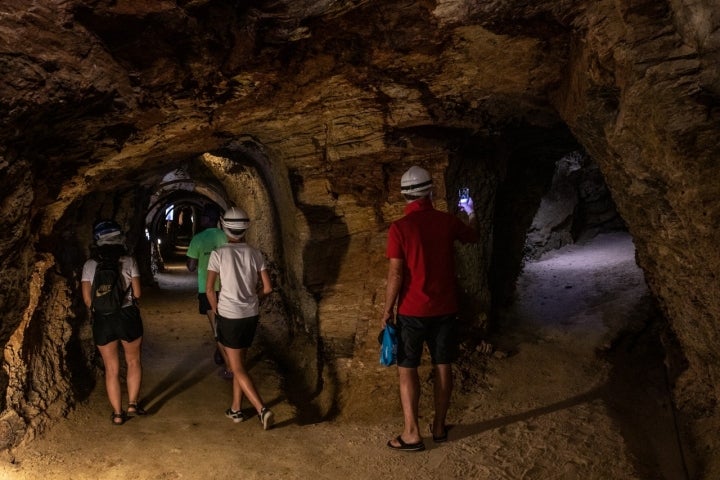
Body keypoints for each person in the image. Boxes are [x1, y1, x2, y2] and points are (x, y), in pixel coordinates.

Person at [380, 166, 479, 452]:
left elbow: (396, 274)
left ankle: (412, 433)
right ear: (430, 191)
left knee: (407, 368)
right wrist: (470, 211)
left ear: (404, 196)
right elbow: (473, 235)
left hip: (412, 311)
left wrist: (387, 309)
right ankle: (438, 427)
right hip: (445, 308)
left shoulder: (400, 228)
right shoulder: (447, 222)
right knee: (442, 365)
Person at [206, 207, 275, 430]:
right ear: (246, 228)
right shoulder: (255, 253)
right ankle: (236, 409)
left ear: (223, 227)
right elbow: (268, 287)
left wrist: (217, 311)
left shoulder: (218, 254)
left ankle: (261, 409)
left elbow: (209, 290)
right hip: (250, 315)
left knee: (235, 367)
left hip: (229, 316)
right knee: (240, 364)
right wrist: (254, 299)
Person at [81, 220, 146, 425]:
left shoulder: (90, 265)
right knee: (133, 361)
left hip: (103, 319)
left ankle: (118, 414)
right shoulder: (129, 261)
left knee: (111, 368)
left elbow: (87, 300)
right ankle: (132, 404)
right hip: (127, 316)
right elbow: (137, 293)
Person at [186, 204, 232, 379]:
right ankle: (222, 352)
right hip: (228, 287)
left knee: (216, 328)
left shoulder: (198, 238)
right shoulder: (226, 237)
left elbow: (190, 267)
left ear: (206, 219)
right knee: (226, 324)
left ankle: (230, 366)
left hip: (208, 288)